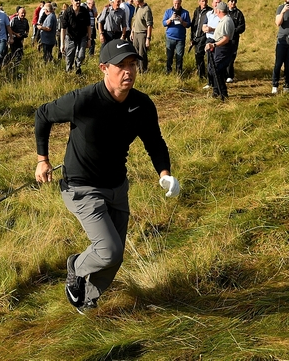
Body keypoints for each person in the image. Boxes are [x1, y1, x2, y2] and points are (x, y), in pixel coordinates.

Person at [33, 42, 179, 314]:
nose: (128, 71)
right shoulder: (84, 100)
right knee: (109, 250)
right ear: (104, 68)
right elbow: (43, 114)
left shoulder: (142, 105)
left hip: (117, 186)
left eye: (132, 65)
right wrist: (43, 160)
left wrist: (165, 173)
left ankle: (88, 298)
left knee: (115, 256)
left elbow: (155, 142)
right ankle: (76, 267)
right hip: (82, 187)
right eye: (121, 65)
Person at [206, 2, 235, 100]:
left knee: (216, 70)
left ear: (219, 11)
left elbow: (226, 39)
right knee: (216, 69)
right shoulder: (224, 20)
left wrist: (214, 44)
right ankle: (217, 91)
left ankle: (223, 93)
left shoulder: (226, 21)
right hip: (221, 47)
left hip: (224, 48)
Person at [60, 0, 92, 75]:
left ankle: (77, 68)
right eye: (76, 0)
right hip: (70, 37)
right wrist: (62, 43)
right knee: (69, 56)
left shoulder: (84, 11)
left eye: (79, 0)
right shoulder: (67, 12)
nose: (78, 2)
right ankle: (69, 71)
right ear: (72, 1)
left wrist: (89, 39)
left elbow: (89, 26)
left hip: (82, 36)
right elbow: (63, 28)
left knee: (81, 55)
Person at [162, 0, 191, 75]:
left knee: (179, 57)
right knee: (169, 56)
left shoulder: (185, 13)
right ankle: (168, 72)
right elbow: (164, 23)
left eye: (178, 3)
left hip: (180, 39)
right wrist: (171, 19)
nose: (176, 5)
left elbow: (188, 25)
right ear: (173, 2)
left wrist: (182, 21)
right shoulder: (168, 12)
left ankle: (179, 73)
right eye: (175, 3)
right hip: (170, 38)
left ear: (181, 3)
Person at [190, 0, 212, 81]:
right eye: (202, 1)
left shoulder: (209, 11)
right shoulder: (196, 11)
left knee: (200, 54)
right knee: (198, 56)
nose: (204, 3)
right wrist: (191, 37)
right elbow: (193, 24)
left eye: (206, 1)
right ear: (199, 2)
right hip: (196, 37)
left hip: (204, 37)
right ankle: (201, 74)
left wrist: (203, 37)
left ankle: (202, 75)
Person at [130, 0, 153, 72]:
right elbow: (135, 21)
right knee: (135, 52)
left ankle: (143, 70)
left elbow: (149, 25)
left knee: (142, 53)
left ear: (137, 1)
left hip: (143, 34)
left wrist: (148, 38)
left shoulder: (146, 10)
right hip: (136, 33)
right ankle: (137, 69)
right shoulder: (137, 8)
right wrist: (132, 32)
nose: (133, 2)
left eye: (134, 0)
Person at [225, 0, 245, 83]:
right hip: (224, 38)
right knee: (224, 56)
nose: (233, 3)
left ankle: (230, 75)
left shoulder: (239, 13)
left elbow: (242, 27)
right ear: (228, 2)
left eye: (234, 1)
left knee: (231, 57)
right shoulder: (224, 12)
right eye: (231, 1)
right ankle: (224, 74)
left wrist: (233, 31)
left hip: (234, 38)